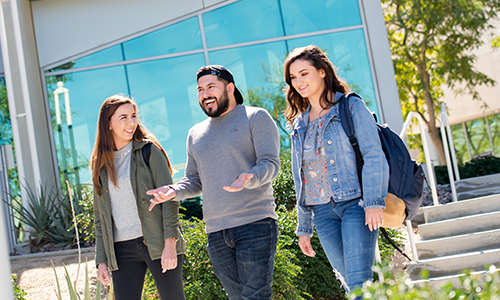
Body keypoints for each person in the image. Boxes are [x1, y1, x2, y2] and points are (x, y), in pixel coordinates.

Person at [147, 65, 281, 300]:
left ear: (230, 88)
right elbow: (194, 180)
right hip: (216, 231)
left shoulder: (255, 117)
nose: (205, 93)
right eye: (200, 89)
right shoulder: (195, 134)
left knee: (255, 297)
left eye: (211, 87)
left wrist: (250, 177)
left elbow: (271, 163)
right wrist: (172, 191)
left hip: (255, 222)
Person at [284, 45, 389, 293]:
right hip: (322, 213)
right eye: (293, 77)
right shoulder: (299, 124)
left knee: (358, 283)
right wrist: (304, 227)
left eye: (304, 73)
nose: (298, 81)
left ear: (322, 72)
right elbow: (301, 179)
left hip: (355, 204)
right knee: (350, 284)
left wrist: (374, 200)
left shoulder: (350, 106)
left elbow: (374, 154)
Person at [91, 95, 186, 300]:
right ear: (108, 123)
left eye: (133, 116)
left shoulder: (149, 150)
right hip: (121, 250)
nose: (131, 122)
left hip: (158, 241)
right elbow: (100, 219)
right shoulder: (101, 166)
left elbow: (170, 199)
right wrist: (102, 260)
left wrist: (170, 243)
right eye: (123, 117)